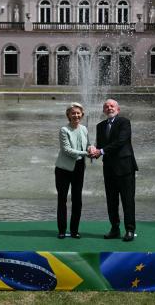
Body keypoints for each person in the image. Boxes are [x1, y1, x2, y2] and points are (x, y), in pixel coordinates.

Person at [88, 99, 138, 242]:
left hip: (125, 167)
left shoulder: (124, 122)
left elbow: (121, 142)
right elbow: (101, 146)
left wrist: (100, 151)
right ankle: (114, 228)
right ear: (104, 110)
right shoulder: (100, 126)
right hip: (109, 168)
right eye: (106, 106)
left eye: (112, 106)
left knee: (128, 200)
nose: (109, 108)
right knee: (111, 200)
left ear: (118, 109)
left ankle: (129, 229)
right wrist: (92, 151)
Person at [55, 102, 90, 239]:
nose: (76, 115)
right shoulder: (64, 130)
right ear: (68, 115)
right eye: (73, 113)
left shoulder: (84, 129)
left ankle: (74, 230)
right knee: (62, 200)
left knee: (77, 200)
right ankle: (62, 230)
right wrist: (87, 153)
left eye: (78, 113)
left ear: (82, 114)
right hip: (63, 169)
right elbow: (67, 150)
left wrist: (91, 148)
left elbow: (87, 145)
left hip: (79, 168)